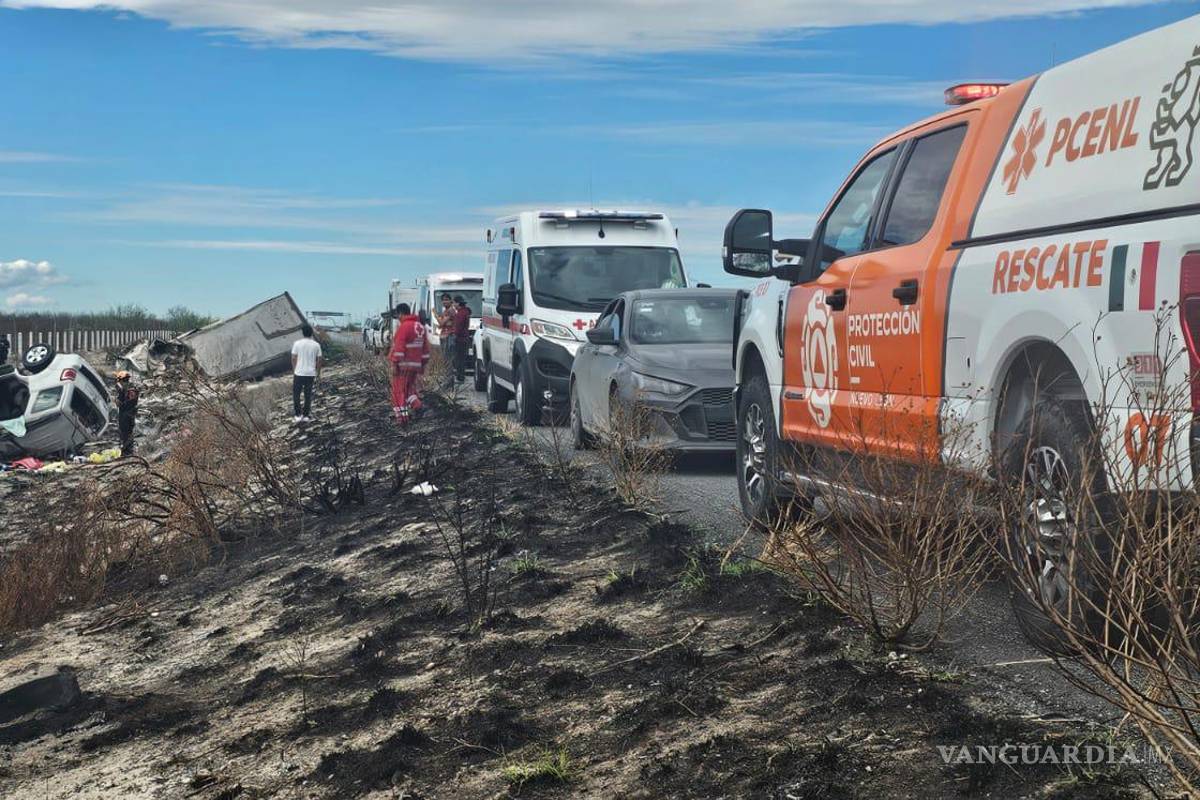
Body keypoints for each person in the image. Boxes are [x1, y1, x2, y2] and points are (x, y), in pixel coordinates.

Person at [389, 302, 430, 426]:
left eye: (398, 315)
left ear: (401, 313)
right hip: (415, 366)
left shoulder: (404, 327)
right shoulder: (420, 327)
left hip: (403, 366)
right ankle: (418, 406)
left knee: (399, 391)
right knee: (408, 390)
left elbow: (399, 348)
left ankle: (402, 418)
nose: (398, 319)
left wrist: (395, 364)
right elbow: (426, 350)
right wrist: (422, 365)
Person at [290, 324, 323, 423]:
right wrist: (318, 373)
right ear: (311, 333)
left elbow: (293, 358)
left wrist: (294, 369)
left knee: (296, 394)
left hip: (299, 373)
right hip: (310, 373)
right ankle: (306, 415)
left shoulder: (297, 344)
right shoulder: (316, 345)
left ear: (302, 333)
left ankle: (297, 415)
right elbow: (320, 360)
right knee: (307, 395)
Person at [113, 370, 140, 456]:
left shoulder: (122, 389)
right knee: (130, 432)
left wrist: (115, 399)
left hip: (124, 414)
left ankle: (126, 452)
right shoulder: (134, 388)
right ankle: (130, 451)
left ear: (121, 379)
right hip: (132, 413)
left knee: (124, 433)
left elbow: (119, 403)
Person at [451, 295, 471, 385]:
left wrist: (454, 333)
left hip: (460, 339)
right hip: (465, 338)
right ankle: (460, 376)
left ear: (458, 303)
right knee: (461, 358)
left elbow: (458, 327)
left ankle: (460, 377)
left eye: (454, 303)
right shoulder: (465, 312)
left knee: (459, 359)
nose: (453, 304)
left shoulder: (460, 314)